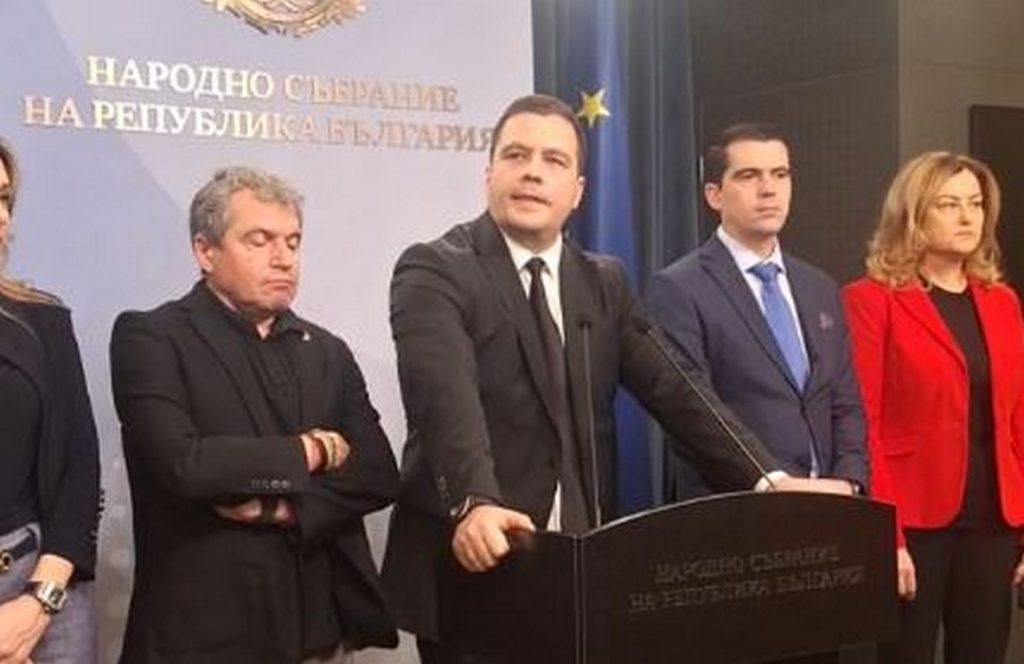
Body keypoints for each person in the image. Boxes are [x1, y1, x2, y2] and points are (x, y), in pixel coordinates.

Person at [381, 94, 847, 663]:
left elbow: (678, 390)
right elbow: (444, 399)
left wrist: (768, 479)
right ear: (489, 174)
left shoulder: (603, 281)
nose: (532, 172)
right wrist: (474, 500)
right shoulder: (435, 269)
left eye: (554, 160)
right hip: (477, 568)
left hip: (576, 571)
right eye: (516, 155)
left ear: (577, 191)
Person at [110, 167, 399, 663]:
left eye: (293, 241)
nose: (283, 258)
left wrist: (284, 509)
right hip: (200, 639)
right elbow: (186, 464)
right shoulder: (152, 338)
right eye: (259, 240)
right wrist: (312, 451)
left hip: (319, 634)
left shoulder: (327, 351)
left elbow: (377, 473)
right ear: (205, 251)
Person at [843, 151, 1024, 664]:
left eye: (976, 204)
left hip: (994, 522)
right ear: (913, 214)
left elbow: (1018, 419)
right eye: (949, 204)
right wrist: (888, 536)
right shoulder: (871, 299)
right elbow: (864, 424)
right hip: (914, 521)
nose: (968, 217)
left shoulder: (1002, 302)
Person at [646, 123, 867, 500]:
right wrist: (770, 481)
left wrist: (850, 480)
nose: (769, 189)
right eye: (749, 176)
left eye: (780, 174)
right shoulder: (679, 288)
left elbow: (845, 402)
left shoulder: (820, 288)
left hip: (830, 504)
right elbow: (693, 413)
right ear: (714, 195)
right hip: (737, 510)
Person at [0, 138, 101, 663]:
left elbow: (80, 468)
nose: (1, 217)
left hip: (43, 582)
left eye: (5, 199)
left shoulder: (44, 320)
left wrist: (40, 602)